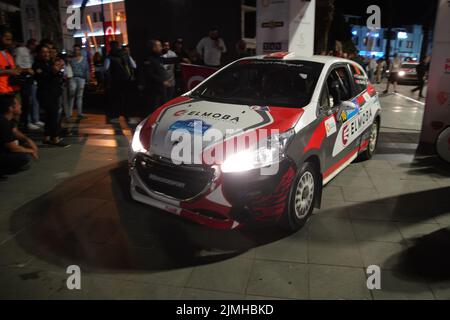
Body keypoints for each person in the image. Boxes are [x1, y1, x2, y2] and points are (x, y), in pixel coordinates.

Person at [33, 45, 68, 147]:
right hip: (46, 93)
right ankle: (55, 138)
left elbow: (57, 75)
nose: (46, 54)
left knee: (50, 115)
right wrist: (54, 71)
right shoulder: (37, 65)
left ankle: (47, 137)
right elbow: (43, 78)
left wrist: (57, 70)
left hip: (54, 92)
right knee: (53, 115)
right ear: (38, 53)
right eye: (44, 52)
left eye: (48, 52)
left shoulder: (49, 63)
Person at [0, 94, 38, 174]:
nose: (20, 106)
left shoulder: (8, 118)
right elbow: (13, 147)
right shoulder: (3, 123)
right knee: (23, 157)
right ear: (10, 108)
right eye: (17, 104)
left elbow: (15, 131)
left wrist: (28, 140)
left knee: (23, 144)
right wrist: (31, 151)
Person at [104, 41, 135, 123]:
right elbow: (134, 65)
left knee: (116, 99)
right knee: (126, 99)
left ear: (111, 47)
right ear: (119, 46)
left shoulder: (109, 57)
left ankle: (116, 117)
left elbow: (105, 68)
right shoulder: (125, 55)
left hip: (115, 81)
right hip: (126, 80)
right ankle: (127, 116)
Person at [139, 39, 171, 114]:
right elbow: (150, 74)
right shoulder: (149, 59)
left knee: (163, 108)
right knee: (154, 109)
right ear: (154, 48)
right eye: (159, 46)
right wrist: (162, 81)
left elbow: (168, 60)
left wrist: (181, 59)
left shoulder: (158, 58)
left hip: (161, 88)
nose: (161, 48)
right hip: (154, 89)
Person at [15, 39, 39, 131]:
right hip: (23, 78)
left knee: (30, 100)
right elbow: (17, 65)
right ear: (30, 44)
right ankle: (25, 122)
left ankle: (28, 121)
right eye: (34, 45)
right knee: (25, 101)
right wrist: (26, 70)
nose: (35, 48)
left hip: (30, 78)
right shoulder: (21, 50)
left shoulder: (31, 54)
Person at [68, 44, 90, 120]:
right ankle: (70, 113)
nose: (76, 51)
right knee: (72, 95)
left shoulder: (83, 59)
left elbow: (87, 69)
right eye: (75, 49)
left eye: (77, 49)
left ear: (80, 50)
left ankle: (79, 113)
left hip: (81, 78)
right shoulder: (71, 59)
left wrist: (88, 78)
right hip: (73, 78)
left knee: (79, 96)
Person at [0, 27, 21, 96]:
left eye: (10, 38)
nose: (9, 40)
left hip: (12, 90)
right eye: (6, 38)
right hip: (2, 92)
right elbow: (8, 70)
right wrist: (8, 71)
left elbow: (11, 69)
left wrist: (18, 69)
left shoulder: (8, 54)